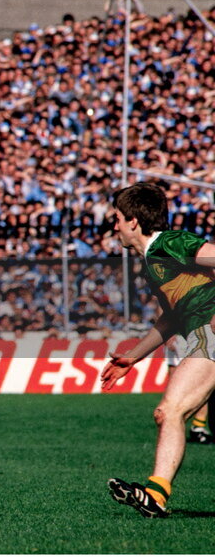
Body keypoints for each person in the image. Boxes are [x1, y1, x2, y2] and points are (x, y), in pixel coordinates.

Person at [102, 182, 215, 518]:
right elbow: (171, 319)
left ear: (133, 222)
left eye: (117, 218)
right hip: (199, 333)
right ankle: (155, 494)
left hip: (208, 332)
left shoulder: (170, 244)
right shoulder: (153, 259)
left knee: (171, 410)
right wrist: (132, 358)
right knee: (170, 412)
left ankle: (155, 494)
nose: (115, 226)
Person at [164, 334, 212, 444]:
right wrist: (169, 333)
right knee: (199, 382)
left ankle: (194, 426)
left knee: (200, 381)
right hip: (183, 336)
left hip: (192, 335)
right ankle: (175, 425)